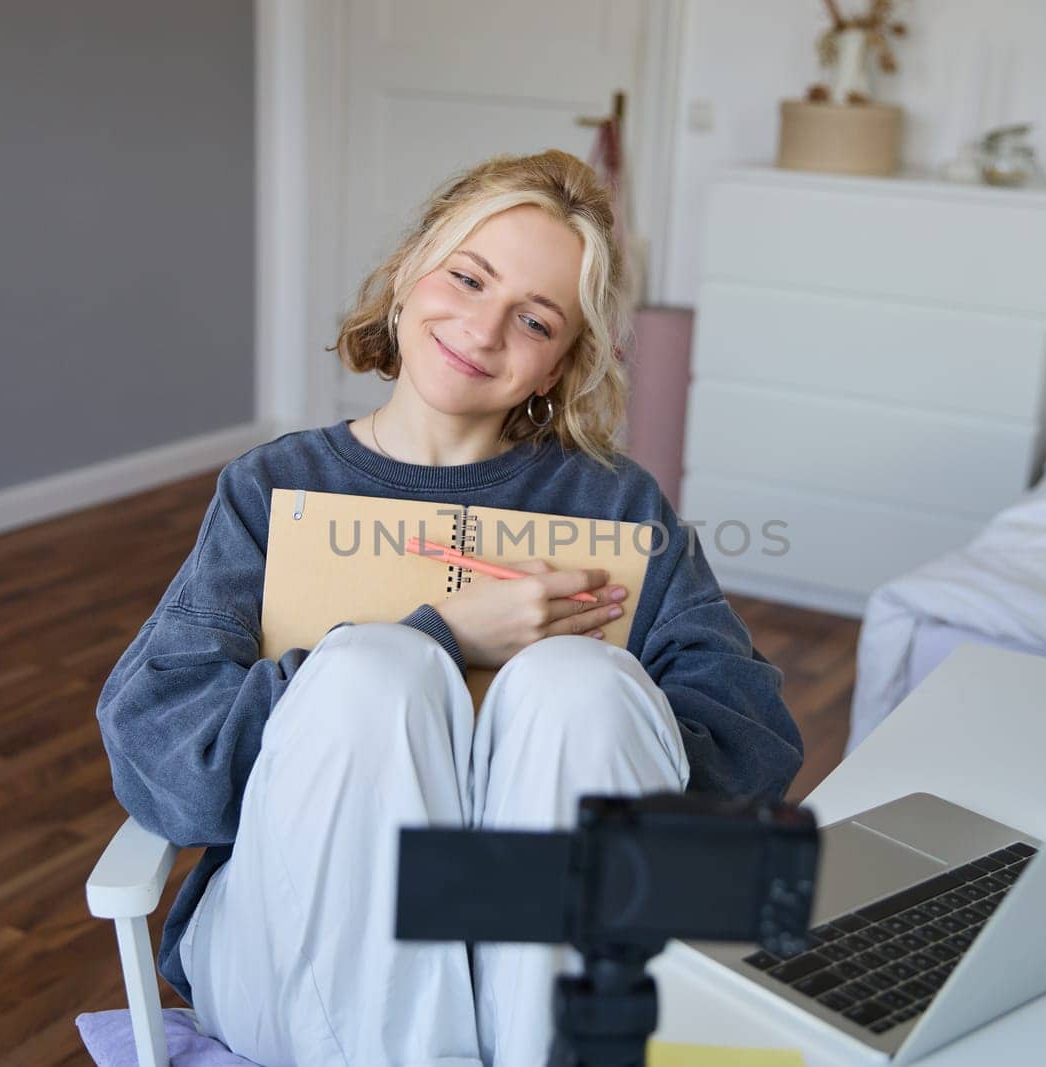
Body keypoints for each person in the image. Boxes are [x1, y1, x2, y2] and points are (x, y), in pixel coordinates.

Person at [96, 149, 802, 1066]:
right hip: (313, 931)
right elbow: (165, 764)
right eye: (468, 277)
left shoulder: (615, 506)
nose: (482, 326)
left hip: (541, 952)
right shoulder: (275, 486)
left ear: (557, 366)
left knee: (578, 683)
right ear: (406, 277)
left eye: (535, 319)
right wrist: (442, 638)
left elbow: (754, 743)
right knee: (370, 671)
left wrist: (554, 743)